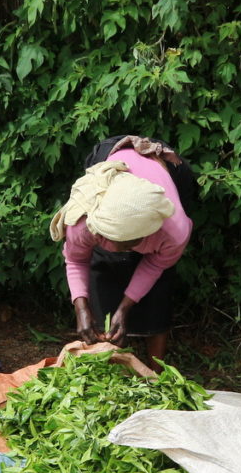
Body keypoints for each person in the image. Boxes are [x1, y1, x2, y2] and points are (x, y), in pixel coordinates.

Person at [50, 135, 194, 366]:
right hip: (111, 159)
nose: (116, 249)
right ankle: (109, 354)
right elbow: (76, 261)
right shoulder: (84, 220)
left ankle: (156, 371)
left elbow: (156, 264)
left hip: (167, 173)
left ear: (148, 232)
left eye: (127, 243)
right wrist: (81, 306)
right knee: (104, 271)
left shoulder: (173, 229)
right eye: (108, 238)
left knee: (159, 285)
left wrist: (125, 307)